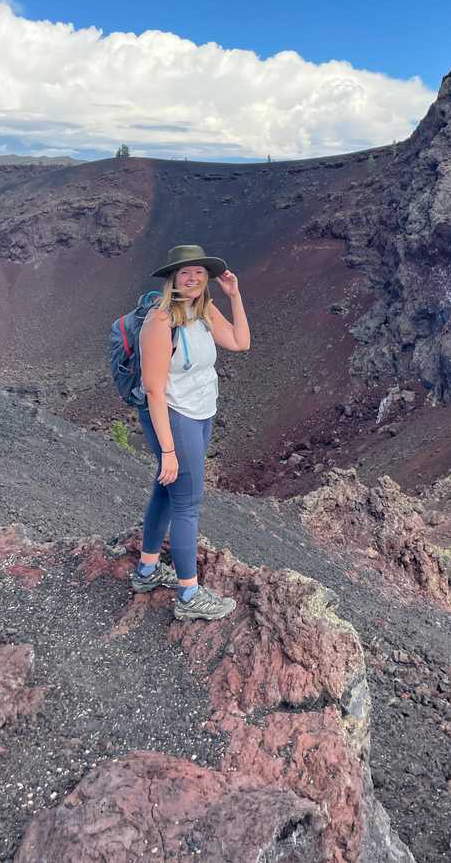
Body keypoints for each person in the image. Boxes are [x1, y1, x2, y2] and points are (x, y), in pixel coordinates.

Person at [130, 244, 250, 621]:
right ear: (173, 278)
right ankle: (189, 595)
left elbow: (240, 343)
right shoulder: (160, 322)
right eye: (185, 272)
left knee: (167, 494)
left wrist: (235, 296)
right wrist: (167, 449)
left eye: (200, 271)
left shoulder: (204, 312)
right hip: (174, 416)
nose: (193, 277)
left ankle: (147, 571)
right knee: (187, 503)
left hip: (201, 413)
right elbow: (153, 389)